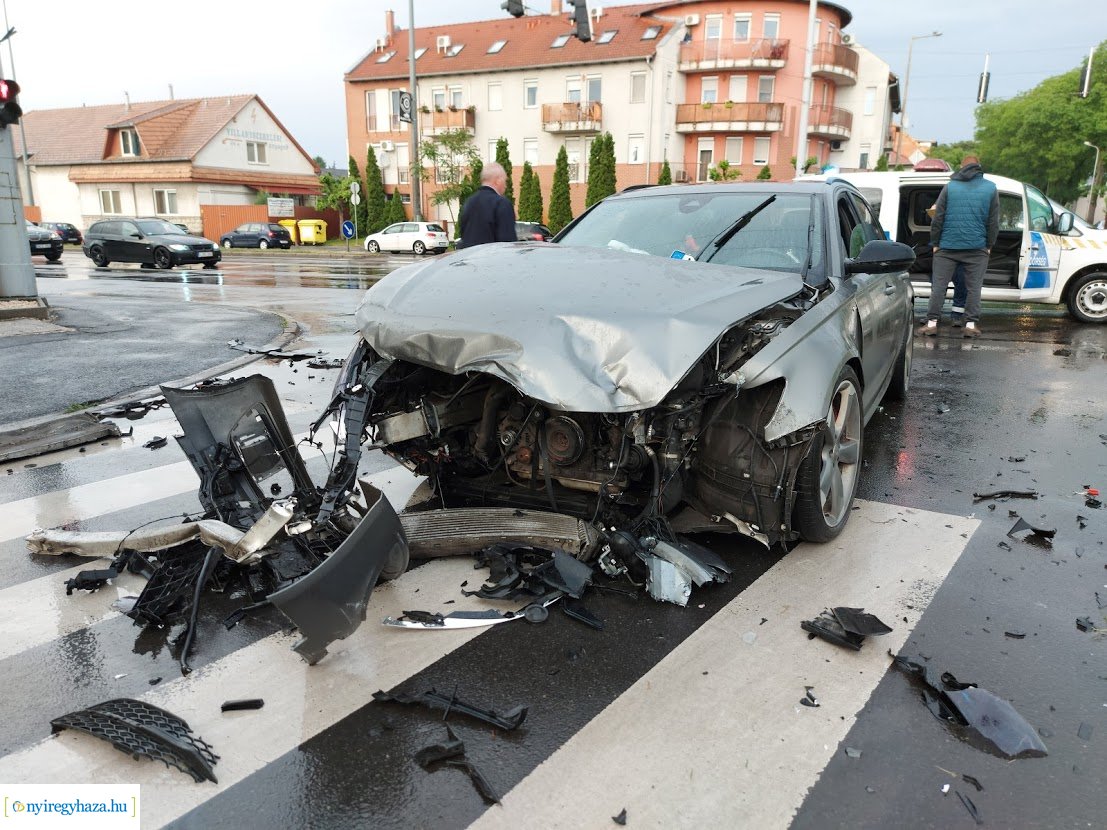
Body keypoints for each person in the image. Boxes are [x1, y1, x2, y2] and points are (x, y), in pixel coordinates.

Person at [919, 156, 999, 338]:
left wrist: (936, 243)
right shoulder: (990, 188)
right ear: (979, 167)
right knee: (974, 288)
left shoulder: (950, 187)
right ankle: (970, 325)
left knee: (939, 286)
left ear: (961, 167)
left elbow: (937, 218)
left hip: (947, 247)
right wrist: (989, 245)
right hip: (977, 247)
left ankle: (932, 323)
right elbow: (993, 222)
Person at [456, 162, 516, 249]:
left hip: (469, 259)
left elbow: (463, 234)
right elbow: (507, 244)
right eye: (505, 181)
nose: (506, 185)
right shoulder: (501, 204)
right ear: (497, 180)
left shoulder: (469, 203)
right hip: (492, 260)